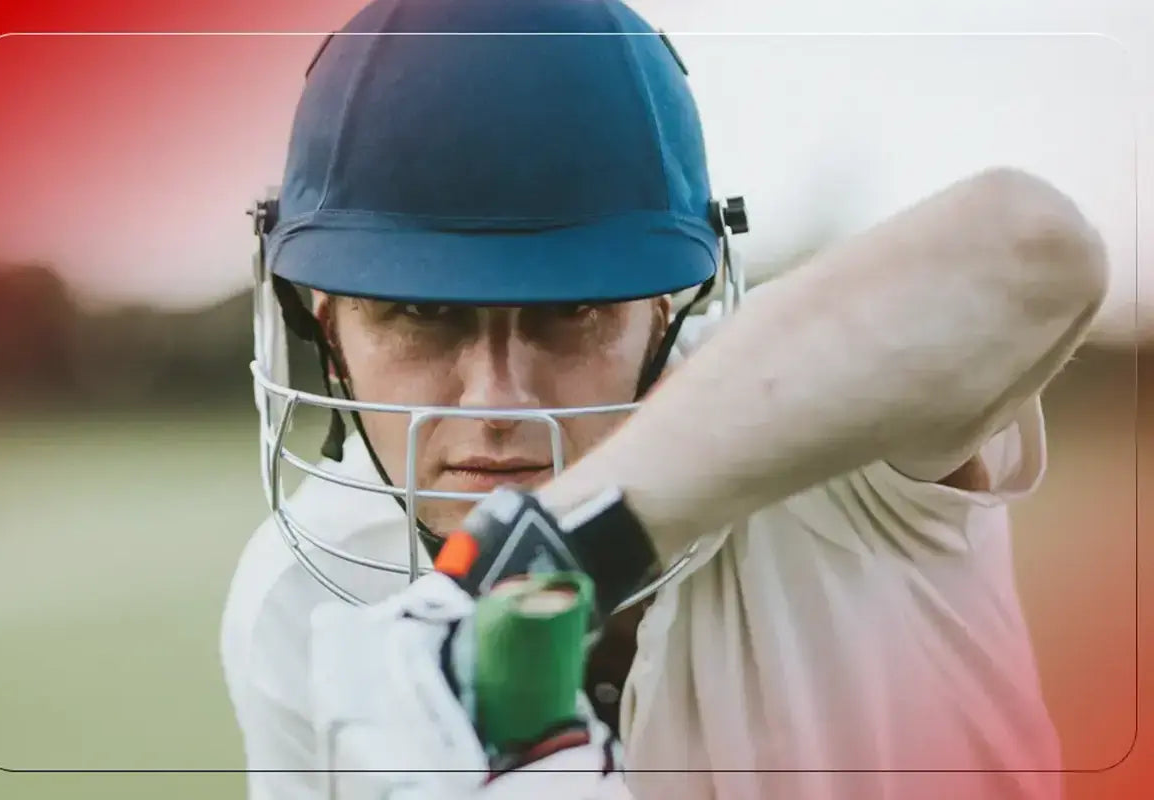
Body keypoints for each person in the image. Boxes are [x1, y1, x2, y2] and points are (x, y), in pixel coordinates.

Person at [221, 1, 1110, 798]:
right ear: (325, 326)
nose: (499, 399)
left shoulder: (827, 431)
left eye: (573, 312)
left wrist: (531, 557)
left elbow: (1039, 248)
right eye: (419, 313)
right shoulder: (304, 603)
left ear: (663, 312)